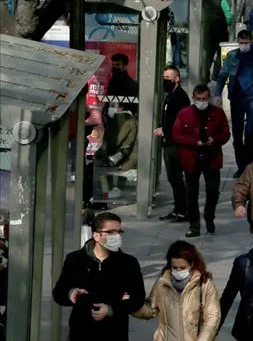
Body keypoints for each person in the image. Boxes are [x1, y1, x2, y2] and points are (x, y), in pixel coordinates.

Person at [52, 212, 146, 341]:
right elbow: (58, 293)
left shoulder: (128, 263)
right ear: (96, 235)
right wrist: (71, 293)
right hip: (81, 331)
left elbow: (138, 298)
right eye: (111, 232)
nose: (117, 236)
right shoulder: (75, 259)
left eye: (119, 232)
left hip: (115, 332)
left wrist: (111, 309)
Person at [132, 240, 220, 341]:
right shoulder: (162, 284)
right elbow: (150, 309)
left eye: (182, 268)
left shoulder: (204, 285)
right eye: (174, 267)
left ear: (191, 264)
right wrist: (130, 306)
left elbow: (213, 317)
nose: (178, 271)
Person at [173, 85, 231, 237]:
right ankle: (194, 225)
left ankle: (209, 216)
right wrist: (194, 142)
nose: (201, 102)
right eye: (199, 99)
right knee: (191, 194)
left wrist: (216, 140)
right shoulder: (184, 114)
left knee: (212, 191)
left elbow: (225, 132)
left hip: (212, 157)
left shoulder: (217, 113)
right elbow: (177, 135)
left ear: (209, 98)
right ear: (193, 98)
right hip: (191, 158)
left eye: (204, 99)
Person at [215, 30, 253, 177]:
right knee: (237, 136)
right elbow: (222, 75)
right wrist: (217, 94)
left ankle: (249, 166)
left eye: (246, 42)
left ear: (251, 42)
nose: (244, 45)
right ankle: (241, 166)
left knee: (250, 134)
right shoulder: (232, 56)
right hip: (237, 99)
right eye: (241, 43)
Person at [156, 65, 190, 222]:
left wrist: (165, 130)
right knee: (172, 177)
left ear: (177, 79)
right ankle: (178, 208)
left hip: (175, 144)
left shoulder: (180, 97)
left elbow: (181, 122)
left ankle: (182, 210)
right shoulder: (171, 95)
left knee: (176, 177)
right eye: (164, 78)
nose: (165, 81)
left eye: (168, 78)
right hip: (169, 141)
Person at [206, 0, 232, 80]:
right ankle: (215, 75)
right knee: (220, 52)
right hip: (221, 30)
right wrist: (228, 24)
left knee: (209, 53)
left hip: (209, 30)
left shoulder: (206, 0)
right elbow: (228, 16)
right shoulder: (222, 1)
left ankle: (205, 74)